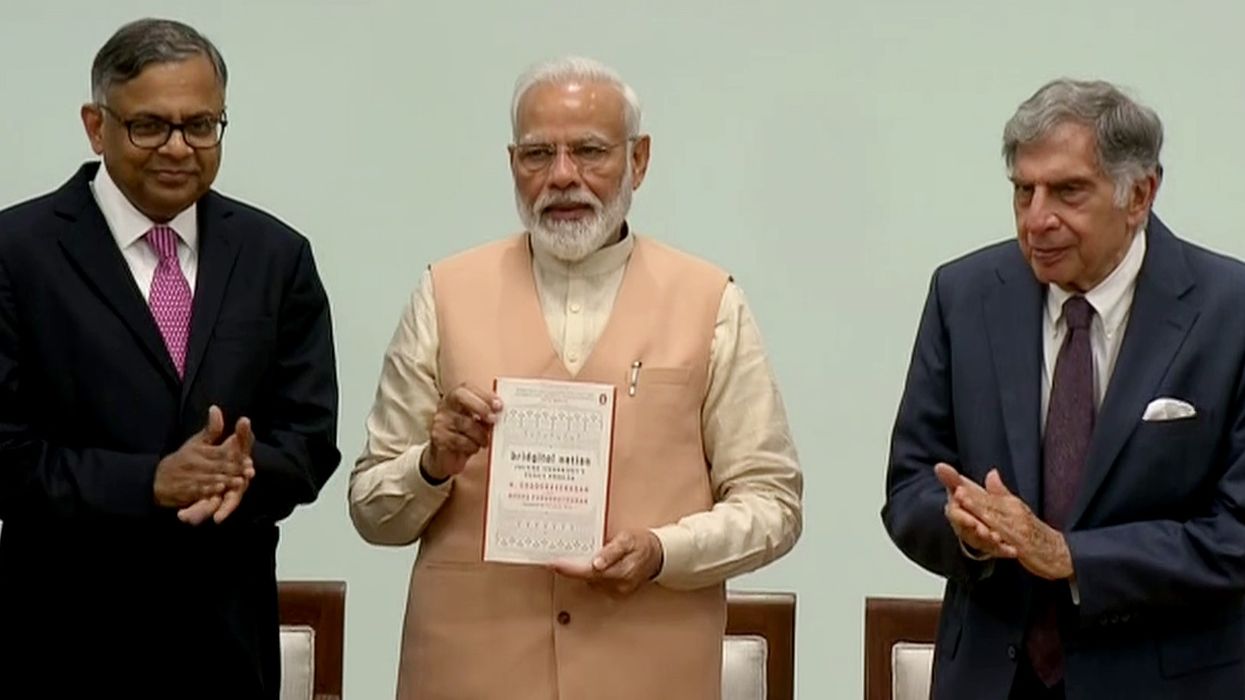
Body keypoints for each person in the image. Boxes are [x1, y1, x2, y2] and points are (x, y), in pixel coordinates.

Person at [350, 56, 803, 699]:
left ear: (639, 160)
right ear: (512, 165)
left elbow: (773, 504)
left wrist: (662, 551)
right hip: (469, 670)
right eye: (538, 155)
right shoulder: (444, 293)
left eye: (590, 151)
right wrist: (433, 463)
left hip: (647, 671)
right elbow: (372, 508)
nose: (563, 177)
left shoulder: (710, 301)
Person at [0, 18, 340, 698]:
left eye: (202, 125)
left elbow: (308, 442)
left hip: (223, 646)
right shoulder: (17, 252)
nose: (179, 149)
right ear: (96, 126)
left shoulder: (275, 255)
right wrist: (151, 481)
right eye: (149, 127)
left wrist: (241, 473)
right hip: (59, 642)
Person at [883, 78, 1245, 699]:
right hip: (993, 679)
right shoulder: (964, 295)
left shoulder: (1229, 311)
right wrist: (968, 534)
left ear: (1141, 194)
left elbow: (1236, 532)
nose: (1037, 219)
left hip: (1165, 680)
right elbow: (910, 486)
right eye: (1024, 191)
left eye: (1068, 191)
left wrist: (1072, 556)